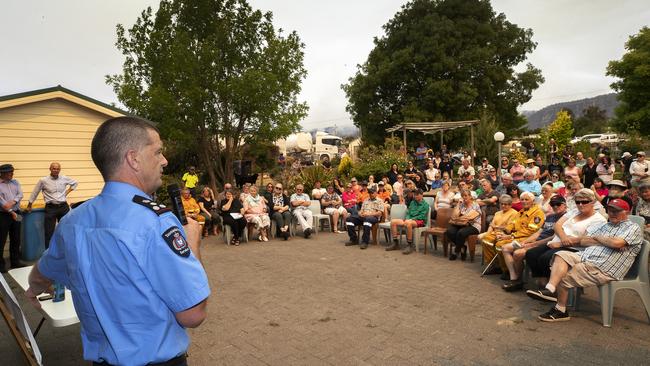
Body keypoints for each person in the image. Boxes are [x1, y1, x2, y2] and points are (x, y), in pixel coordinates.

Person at [25, 117, 210, 364]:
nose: (164, 161)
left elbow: (43, 270)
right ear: (133, 159)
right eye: (158, 152)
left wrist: (32, 289)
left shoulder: (72, 221)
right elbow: (192, 313)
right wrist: (193, 243)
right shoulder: (155, 222)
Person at [527, 198, 643, 322]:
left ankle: (560, 309)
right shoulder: (606, 225)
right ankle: (551, 287)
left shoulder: (632, 227)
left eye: (617, 211)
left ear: (627, 212)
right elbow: (583, 240)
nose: (612, 213)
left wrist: (597, 238)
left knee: (563, 274)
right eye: (610, 210)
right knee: (560, 255)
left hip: (602, 267)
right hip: (585, 257)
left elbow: (616, 243)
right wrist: (604, 240)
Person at [500, 195, 567, 289]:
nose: (555, 206)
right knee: (506, 248)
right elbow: (538, 233)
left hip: (547, 244)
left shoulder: (566, 218)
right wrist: (525, 242)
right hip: (535, 241)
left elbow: (553, 238)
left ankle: (517, 280)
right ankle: (515, 278)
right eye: (552, 204)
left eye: (558, 204)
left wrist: (532, 244)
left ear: (565, 205)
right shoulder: (550, 217)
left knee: (518, 253)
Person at [482, 192, 544, 272]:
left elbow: (530, 231)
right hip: (514, 235)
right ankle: (496, 265)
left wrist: (511, 236)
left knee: (500, 245)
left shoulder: (538, 213)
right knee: (488, 239)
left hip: (526, 238)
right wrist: (504, 232)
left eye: (526, 199)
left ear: (532, 201)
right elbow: (512, 224)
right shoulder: (521, 212)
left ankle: (506, 270)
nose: (524, 201)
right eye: (522, 199)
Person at [25, 162, 78, 249]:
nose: (56, 170)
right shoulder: (43, 180)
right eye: (54, 168)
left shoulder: (64, 178)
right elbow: (35, 192)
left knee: (66, 229)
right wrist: (29, 204)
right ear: (50, 169)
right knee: (49, 232)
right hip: (51, 208)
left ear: (59, 170)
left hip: (63, 207)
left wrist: (67, 192)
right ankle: (48, 254)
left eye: (57, 169)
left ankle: (66, 251)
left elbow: (75, 183)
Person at [478, 194, 519, 273]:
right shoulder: (497, 213)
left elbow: (508, 229)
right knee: (485, 239)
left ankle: (503, 267)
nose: (503, 206)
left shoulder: (514, 213)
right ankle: (493, 264)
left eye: (506, 204)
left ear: (510, 205)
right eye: (502, 204)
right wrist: (488, 233)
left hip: (505, 234)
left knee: (499, 245)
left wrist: (496, 227)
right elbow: (491, 225)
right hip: (494, 232)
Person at [0, 164, 26, 273]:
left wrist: (13, 202)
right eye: (9, 172)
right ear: (3, 173)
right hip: (3, 215)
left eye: (12, 172)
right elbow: (3, 204)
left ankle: (15, 262)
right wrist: (10, 211)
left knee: (16, 238)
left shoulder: (16, 182)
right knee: (1, 239)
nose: (12, 174)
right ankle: (1, 265)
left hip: (17, 212)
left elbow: (20, 194)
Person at [387, 189, 429, 254]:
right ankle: (396, 243)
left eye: (417, 195)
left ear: (422, 195)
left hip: (419, 221)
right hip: (409, 219)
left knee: (408, 223)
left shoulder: (425, 205)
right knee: (393, 222)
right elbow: (408, 212)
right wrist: (407, 218)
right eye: (415, 195)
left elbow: (422, 216)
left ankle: (410, 244)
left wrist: (411, 219)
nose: (415, 196)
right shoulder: (412, 202)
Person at [445, 189, 482, 261]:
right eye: (462, 196)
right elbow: (453, 216)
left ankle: (456, 252)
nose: (464, 197)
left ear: (470, 196)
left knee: (461, 233)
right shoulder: (461, 205)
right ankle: (462, 247)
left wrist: (459, 218)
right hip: (461, 224)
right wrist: (458, 204)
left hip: (474, 225)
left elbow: (470, 217)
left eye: (466, 196)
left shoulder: (475, 205)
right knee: (449, 231)